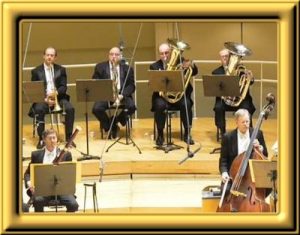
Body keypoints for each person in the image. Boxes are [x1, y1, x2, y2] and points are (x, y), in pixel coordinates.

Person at [150, 42, 198, 146]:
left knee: (187, 104)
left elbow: (194, 72)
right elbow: (152, 83)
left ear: (171, 52)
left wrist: (191, 65)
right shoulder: (154, 66)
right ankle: (161, 134)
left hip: (179, 96)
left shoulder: (181, 62)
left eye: (166, 53)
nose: (164, 56)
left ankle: (187, 133)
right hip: (162, 97)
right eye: (162, 53)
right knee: (159, 105)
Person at [28, 47, 75, 149]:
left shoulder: (61, 70)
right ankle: (42, 139)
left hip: (59, 98)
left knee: (70, 108)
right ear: (44, 56)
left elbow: (63, 86)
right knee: (39, 109)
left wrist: (55, 94)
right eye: (47, 55)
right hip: (43, 99)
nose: (49, 57)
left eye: (52, 55)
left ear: (55, 57)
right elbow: (35, 89)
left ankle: (69, 138)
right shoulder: (36, 71)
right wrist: (45, 99)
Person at [24, 129, 79, 212]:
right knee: (38, 201)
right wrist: (29, 183)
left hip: (61, 189)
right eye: (50, 138)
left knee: (73, 205)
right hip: (43, 189)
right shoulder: (36, 155)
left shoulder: (65, 154)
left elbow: (69, 173)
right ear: (44, 140)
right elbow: (27, 174)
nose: (53, 141)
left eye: (54, 138)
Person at [92, 47, 136, 138]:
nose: (114, 57)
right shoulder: (100, 67)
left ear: (120, 56)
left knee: (132, 107)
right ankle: (109, 126)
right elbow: (95, 82)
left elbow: (131, 86)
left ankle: (116, 121)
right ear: (108, 55)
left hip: (121, 95)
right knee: (96, 108)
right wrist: (106, 91)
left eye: (116, 54)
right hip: (106, 94)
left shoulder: (127, 68)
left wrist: (122, 95)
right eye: (111, 54)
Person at [212, 48, 256, 137]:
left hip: (240, 100)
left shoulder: (242, 70)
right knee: (218, 108)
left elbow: (249, 83)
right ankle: (223, 132)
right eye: (222, 56)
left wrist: (250, 78)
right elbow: (215, 89)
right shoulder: (216, 72)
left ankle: (248, 132)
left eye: (226, 56)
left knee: (247, 107)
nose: (224, 58)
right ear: (220, 58)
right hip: (224, 100)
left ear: (230, 57)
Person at [219, 109, 268, 186]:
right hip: (234, 175)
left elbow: (265, 155)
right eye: (243, 122)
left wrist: (259, 148)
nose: (246, 124)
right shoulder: (228, 137)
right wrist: (224, 173)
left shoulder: (258, 134)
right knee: (226, 192)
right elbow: (223, 161)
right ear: (237, 122)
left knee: (266, 188)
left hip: (253, 175)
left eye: (247, 121)